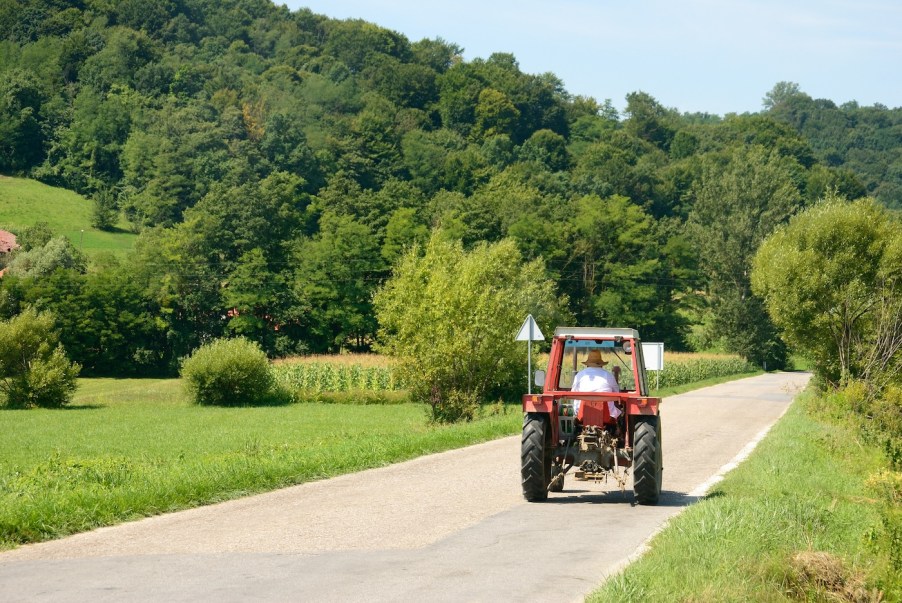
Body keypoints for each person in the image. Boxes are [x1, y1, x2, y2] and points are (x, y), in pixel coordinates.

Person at [572, 349, 621, 421]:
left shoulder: (580, 375)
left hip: (581, 413)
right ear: (601, 365)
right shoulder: (608, 375)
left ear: (587, 365)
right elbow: (617, 393)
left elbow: (573, 392)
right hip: (607, 415)